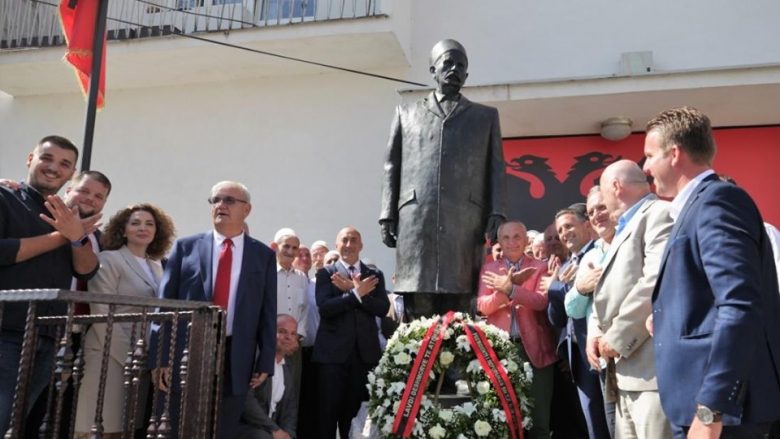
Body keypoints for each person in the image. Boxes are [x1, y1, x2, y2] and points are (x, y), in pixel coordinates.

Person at [642, 107, 780, 438]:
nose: (645, 167)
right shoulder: (695, 207)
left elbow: (740, 306)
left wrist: (711, 408)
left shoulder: (717, 202)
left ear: (674, 154)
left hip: (725, 417)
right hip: (700, 409)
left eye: (648, 156)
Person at [379, 38, 506, 318]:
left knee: (460, 306)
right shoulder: (406, 113)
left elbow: (496, 167)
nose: (454, 69)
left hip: (465, 221)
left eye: (461, 65)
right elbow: (392, 165)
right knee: (418, 306)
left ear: (467, 75)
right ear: (432, 70)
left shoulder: (485, 117)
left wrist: (497, 210)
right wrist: (387, 215)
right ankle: (415, 362)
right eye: (447, 63)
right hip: (417, 220)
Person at [150, 181, 277, 439]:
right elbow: (164, 305)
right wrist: (160, 356)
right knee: (179, 425)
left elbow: (267, 311)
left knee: (223, 429)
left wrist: (265, 359)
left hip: (236, 353)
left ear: (247, 210)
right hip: (187, 350)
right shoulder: (186, 247)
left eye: (229, 200)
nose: (221, 205)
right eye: (216, 200)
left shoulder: (262, 255)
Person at [0, 136, 101, 435]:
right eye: (47, 158)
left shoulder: (66, 215)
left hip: (48, 336)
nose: (54, 167)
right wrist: (63, 235)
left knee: (18, 424)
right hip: (6, 332)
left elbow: (87, 268)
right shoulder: (6, 197)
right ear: (31, 159)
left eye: (65, 164)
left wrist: (75, 235)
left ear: (71, 174)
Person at [585, 161, 673, 438]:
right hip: (625, 374)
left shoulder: (659, 213)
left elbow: (655, 282)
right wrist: (596, 331)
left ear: (615, 187)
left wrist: (617, 337)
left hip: (651, 373)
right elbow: (612, 289)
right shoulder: (624, 226)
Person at [74, 204, 175, 438]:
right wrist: (131, 358)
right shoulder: (109, 259)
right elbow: (101, 312)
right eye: (135, 223)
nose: (143, 228)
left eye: (150, 224)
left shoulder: (156, 266)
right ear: (123, 229)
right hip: (108, 353)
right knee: (97, 428)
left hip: (139, 356)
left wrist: (146, 358)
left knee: (123, 430)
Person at [477, 220, 556, 439]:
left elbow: (541, 301)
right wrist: (504, 293)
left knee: (539, 420)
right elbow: (482, 306)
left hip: (535, 352)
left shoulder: (541, 267)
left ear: (526, 240)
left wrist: (511, 289)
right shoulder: (489, 267)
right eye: (506, 238)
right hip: (501, 352)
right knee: (502, 418)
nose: (512, 242)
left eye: (517, 237)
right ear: (499, 241)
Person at [312, 227, 389, 439]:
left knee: (355, 416)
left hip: (363, 358)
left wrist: (353, 291)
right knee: (327, 415)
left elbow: (382, 309)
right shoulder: (326, 273)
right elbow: (326, 308)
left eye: (353, 240)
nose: (348, 244)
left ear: (361, 246)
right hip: (332, 357)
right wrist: (357, 293)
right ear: (336, 245)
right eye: (344, 240)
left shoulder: (374, 275)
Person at [547, 207, 610, 439]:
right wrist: (555, 286)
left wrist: (562, 288)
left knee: (610, 423)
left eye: (569, 226)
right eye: (560, 229)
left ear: (586, 225)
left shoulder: (599, 253)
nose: (564, 233)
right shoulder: (564, 266)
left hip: (601, 350)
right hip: (579, 359)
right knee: (593, 424)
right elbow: (557, 318)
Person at [239, 314, 300, 439]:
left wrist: (289, 434)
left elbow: (290, 409)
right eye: (282, 332)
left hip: (271, 430)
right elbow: (247, 401)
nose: (288, 337)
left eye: (293, 334)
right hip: (248, 427)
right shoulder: (257, 360)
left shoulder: (289, 366)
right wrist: (274, 429)